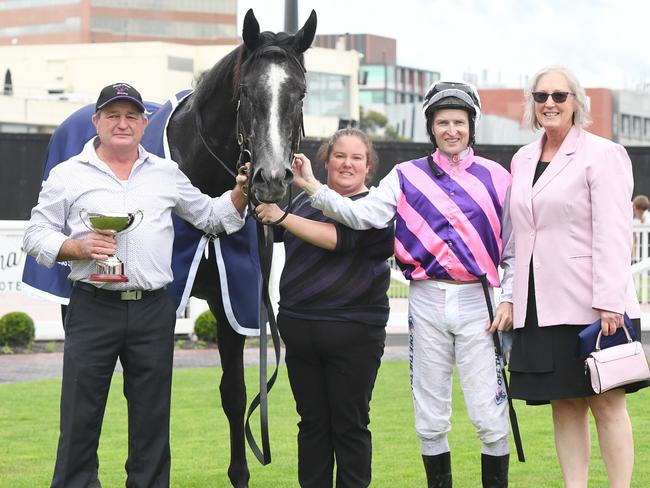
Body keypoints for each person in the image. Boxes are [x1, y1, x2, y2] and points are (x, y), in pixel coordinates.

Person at [23, 82, 249, 488]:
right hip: (92, 306)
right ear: (97, 122)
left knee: (151, 421)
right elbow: (36, 233)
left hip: (151, 310)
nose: (122, 123)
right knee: (79, 417)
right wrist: (73, 246)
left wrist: (239, 193)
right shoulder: (68, 174)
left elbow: (211, 217)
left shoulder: (166, 174)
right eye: (113, 115)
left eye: (131, 116)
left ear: (144, 123)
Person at [290, 82, 514, 488]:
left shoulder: (498, 177)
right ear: (431, 127)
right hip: (426, 298)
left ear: (471, 126)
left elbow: (514, 247)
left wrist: (510, 298)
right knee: (430, 414)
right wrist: (309, 186)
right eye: (442, 122)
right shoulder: (404, 175)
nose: (451, 131)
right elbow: (360, 216)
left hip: (478, 301)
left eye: (459, 123)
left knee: (489, 413)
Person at [507, 65, 649, 488]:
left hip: (594, 305)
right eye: (541, 96)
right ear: (532, 105)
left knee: (606, 405)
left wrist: (608, 300)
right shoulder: (522, 159)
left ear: (576, 103)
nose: (549, 103)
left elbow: (613, 230)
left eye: (559, 95)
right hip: (540, 306)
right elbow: (520, 234)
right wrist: (512, 296)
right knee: (564, 404)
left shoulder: (603, 153)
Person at [255, 128, 393, 487]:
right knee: (312, 424)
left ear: (368, 167)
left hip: (354, 333)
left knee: (349, 425)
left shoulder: (375, 209)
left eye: (356, 158)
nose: (347, 164)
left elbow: (337, 239)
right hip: (301, 330)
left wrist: (281, 216)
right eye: (340, 156)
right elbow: (270, 227)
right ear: (327, 161)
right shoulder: (304, 202)